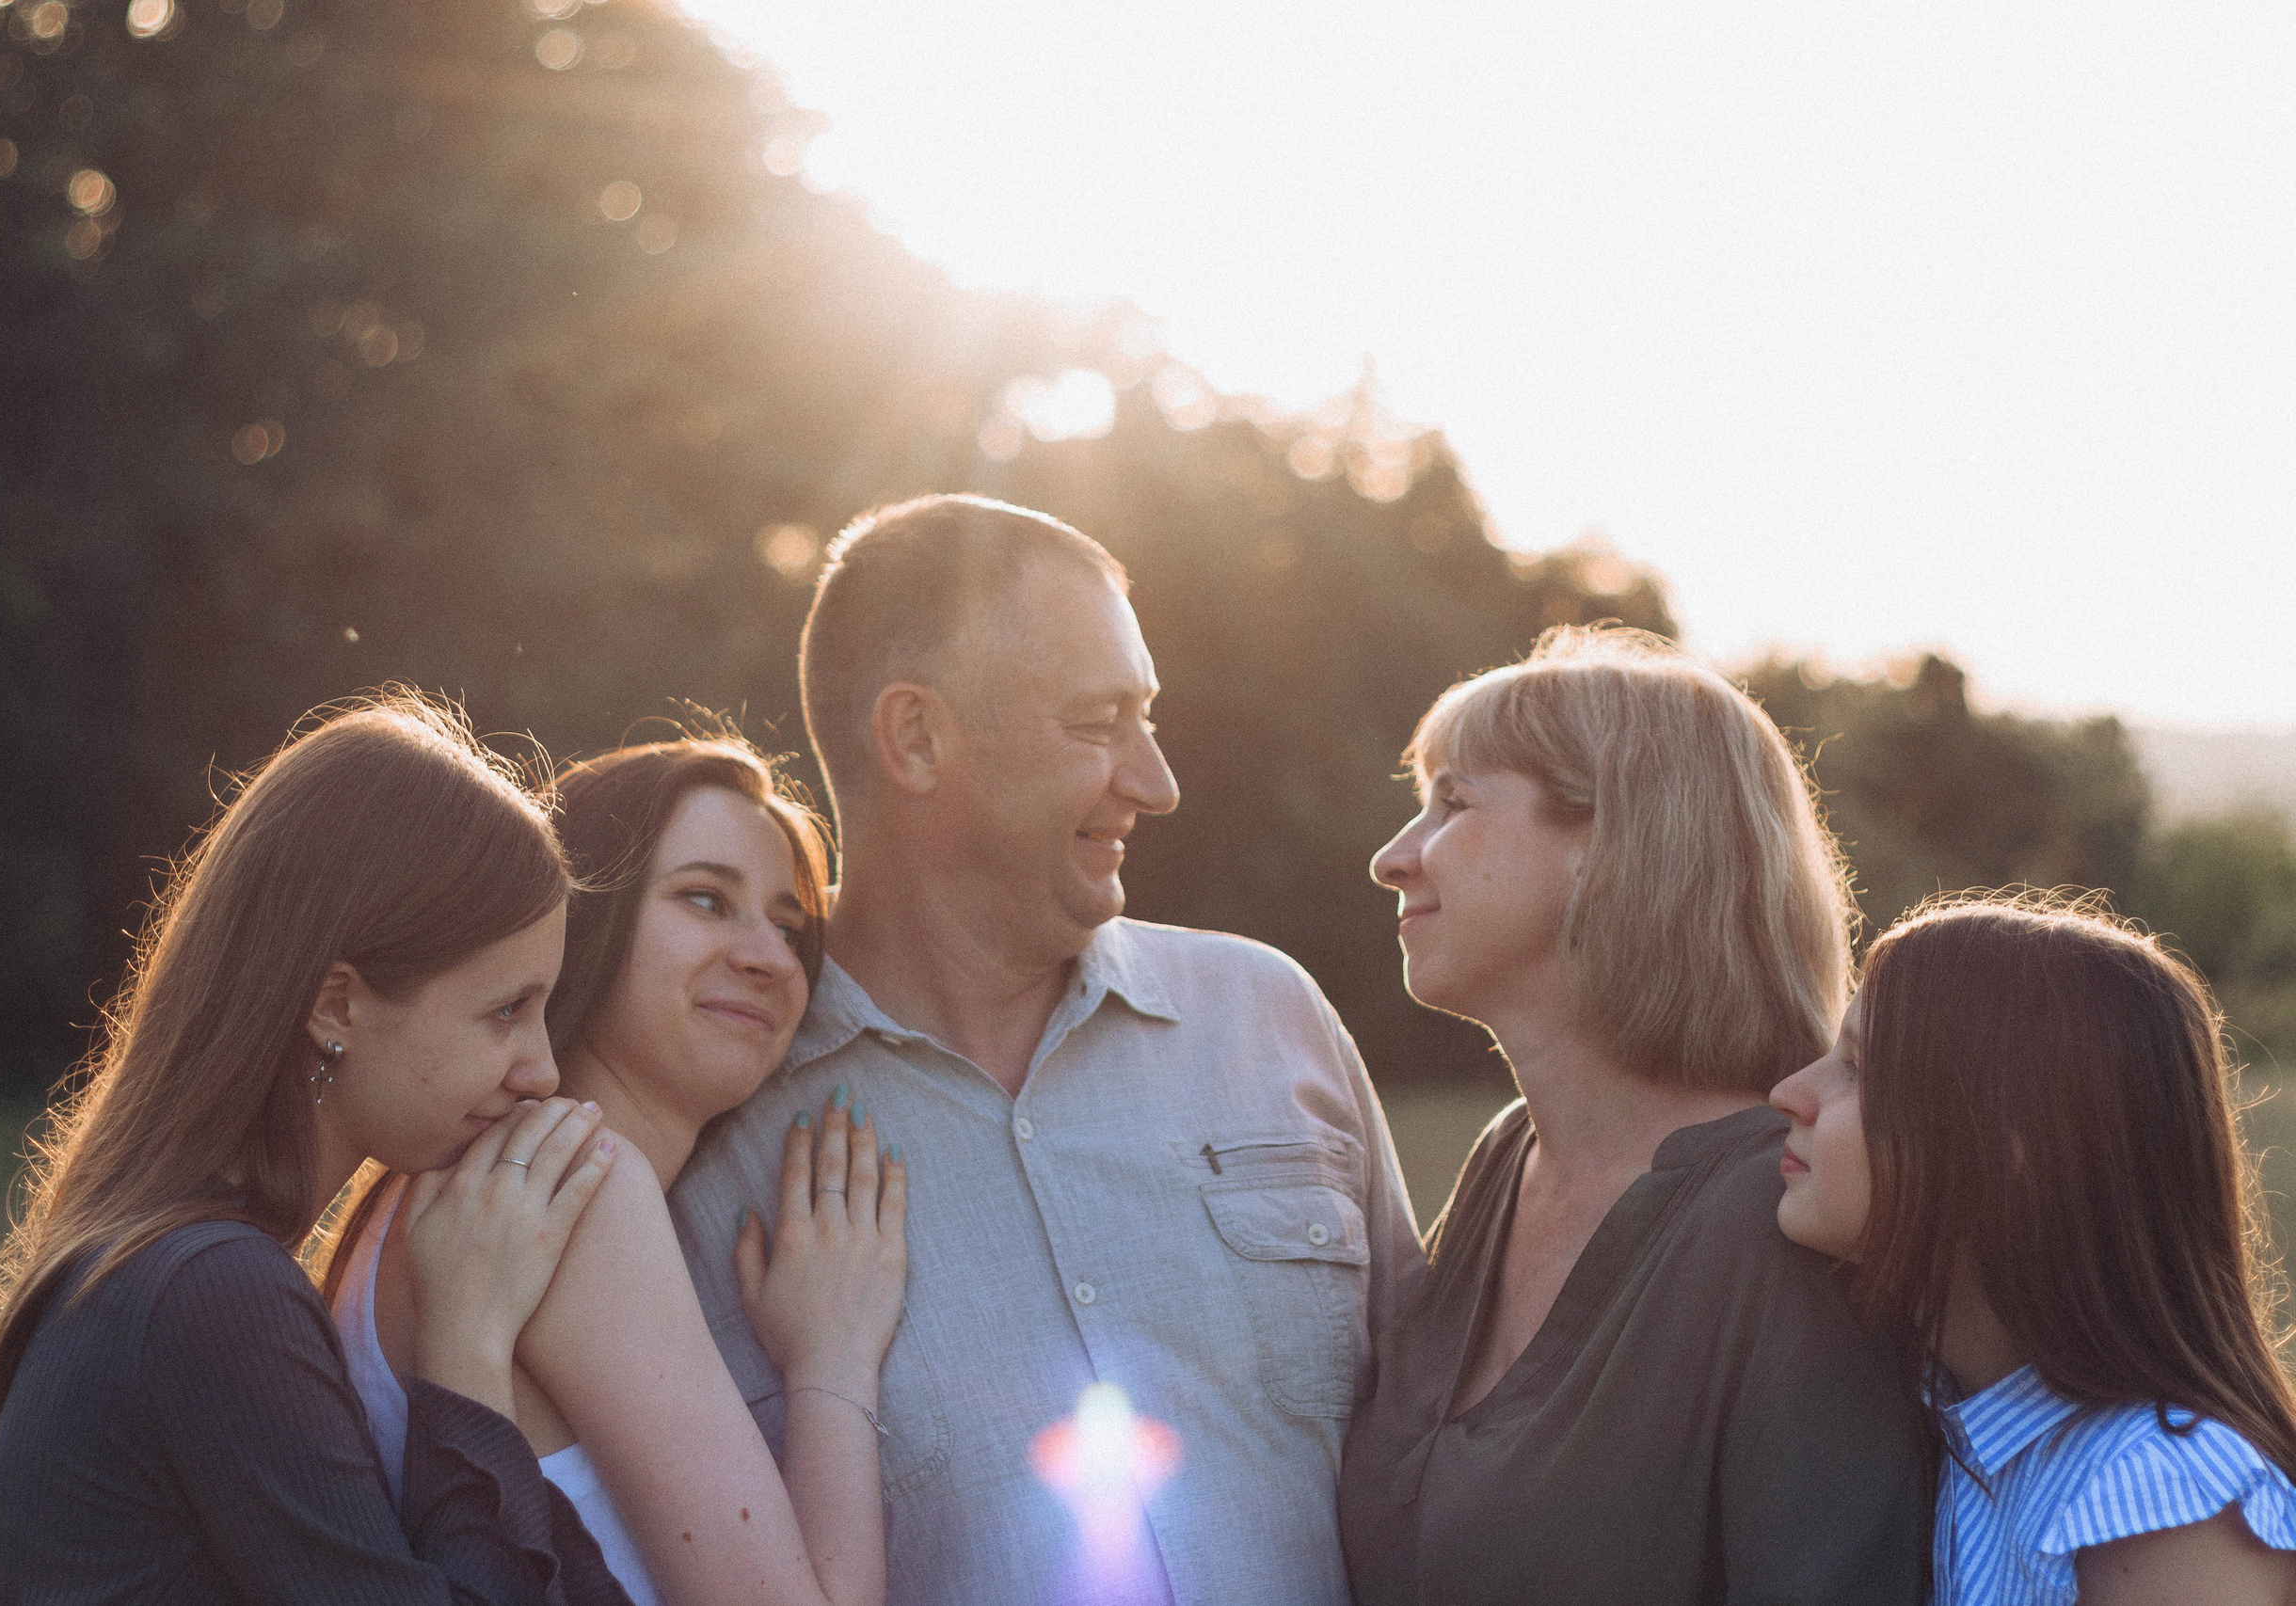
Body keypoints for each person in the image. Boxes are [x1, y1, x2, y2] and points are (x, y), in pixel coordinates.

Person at [671, 494, 1427, 1606]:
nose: (1156, 782)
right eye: (1097, 723)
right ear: (915, 738)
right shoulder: (706, 1137)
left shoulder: (1269, 1018)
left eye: (1146, 719)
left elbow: (1428, 1458)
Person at [0, 693, 630, 1604]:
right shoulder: (211, 1293)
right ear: (335, 1004)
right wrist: (470, 1339)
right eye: (504, 1010)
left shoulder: (170, 1269)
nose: (542, 1071)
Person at [1338, 626, 1928, 1605]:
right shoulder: (1507, 1158)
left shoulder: (1785, 1220)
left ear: (1610, 844)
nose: (1390, 859)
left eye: (1453, 802)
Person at [335, 731, 911, 1606]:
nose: (769, 957)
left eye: (789, 927)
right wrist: (834, 1357)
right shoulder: (578, 1186)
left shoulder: (477, 1176)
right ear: (580, 921)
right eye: (706, 899)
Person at [1772, 892, 2296, 1606]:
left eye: (1859, 1069)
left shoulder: (2167, 1501)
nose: (1789, 1092)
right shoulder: (1944, 1417)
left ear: (2005, 1152)